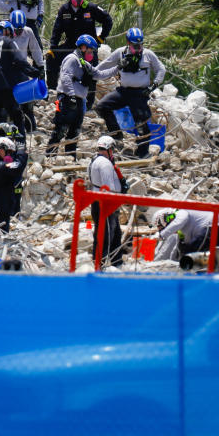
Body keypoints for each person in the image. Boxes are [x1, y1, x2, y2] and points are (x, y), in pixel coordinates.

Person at [94, 27, 166, 158]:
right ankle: (116, 134)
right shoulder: (120, 53)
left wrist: (154, 85)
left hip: (140, 94)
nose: (138, 48)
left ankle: (142, 152)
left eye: (140, 45)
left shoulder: (148, 54)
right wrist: (92, 72)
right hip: (124, 92)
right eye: (134, 45)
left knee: (141, 123)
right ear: (128, 43)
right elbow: (103, 66)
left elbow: (161, 69)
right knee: (102, 106)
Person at [47, 35, 118, 155]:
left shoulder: (84, 63)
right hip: (66, 99)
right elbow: (65, 78)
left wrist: (118, 67)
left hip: (79, 100)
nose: (91, 54)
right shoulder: (72, 59)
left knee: (75, 131)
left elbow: (99, 74)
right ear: (83, 47)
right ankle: (50, 154)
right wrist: (71, 96)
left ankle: (70, 156)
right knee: (60, 129)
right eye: (90, 50)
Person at [46, 0, 113, 91]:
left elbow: (108, 20)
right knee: (51, 58)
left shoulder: (91, 8)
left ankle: (89, 100)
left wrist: (101, 38)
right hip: (70, 45)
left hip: (88, 48)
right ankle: (52, 90)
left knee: (91, 74)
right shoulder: (64, 9)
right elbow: (57, 29)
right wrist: (53, 47)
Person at [87, 136, 126, 267]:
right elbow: (108, 186)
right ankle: (102, 262)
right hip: (106, 202)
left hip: (99, 200)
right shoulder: (104, 164)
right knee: (106, 234)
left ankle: (115, 260)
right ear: (109, 149)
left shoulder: (95, 160)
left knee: (113, 233)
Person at [9, 10, 45, 131]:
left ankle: (30, 126)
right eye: (16, 29)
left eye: (21, 29)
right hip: (8, 69)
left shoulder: (28, 32)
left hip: (23, 68)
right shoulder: (6, 31)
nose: (18, 32)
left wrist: (40, 65)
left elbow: (35, 49)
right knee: (9, 100)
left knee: (26, 100)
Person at [0, 122, 28, 219]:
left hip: (14, 185)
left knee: (13, 209)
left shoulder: (15, 150)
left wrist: (21, 149)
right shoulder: (1, 149)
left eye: (1, 134)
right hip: (3, 186)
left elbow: (19, 165)